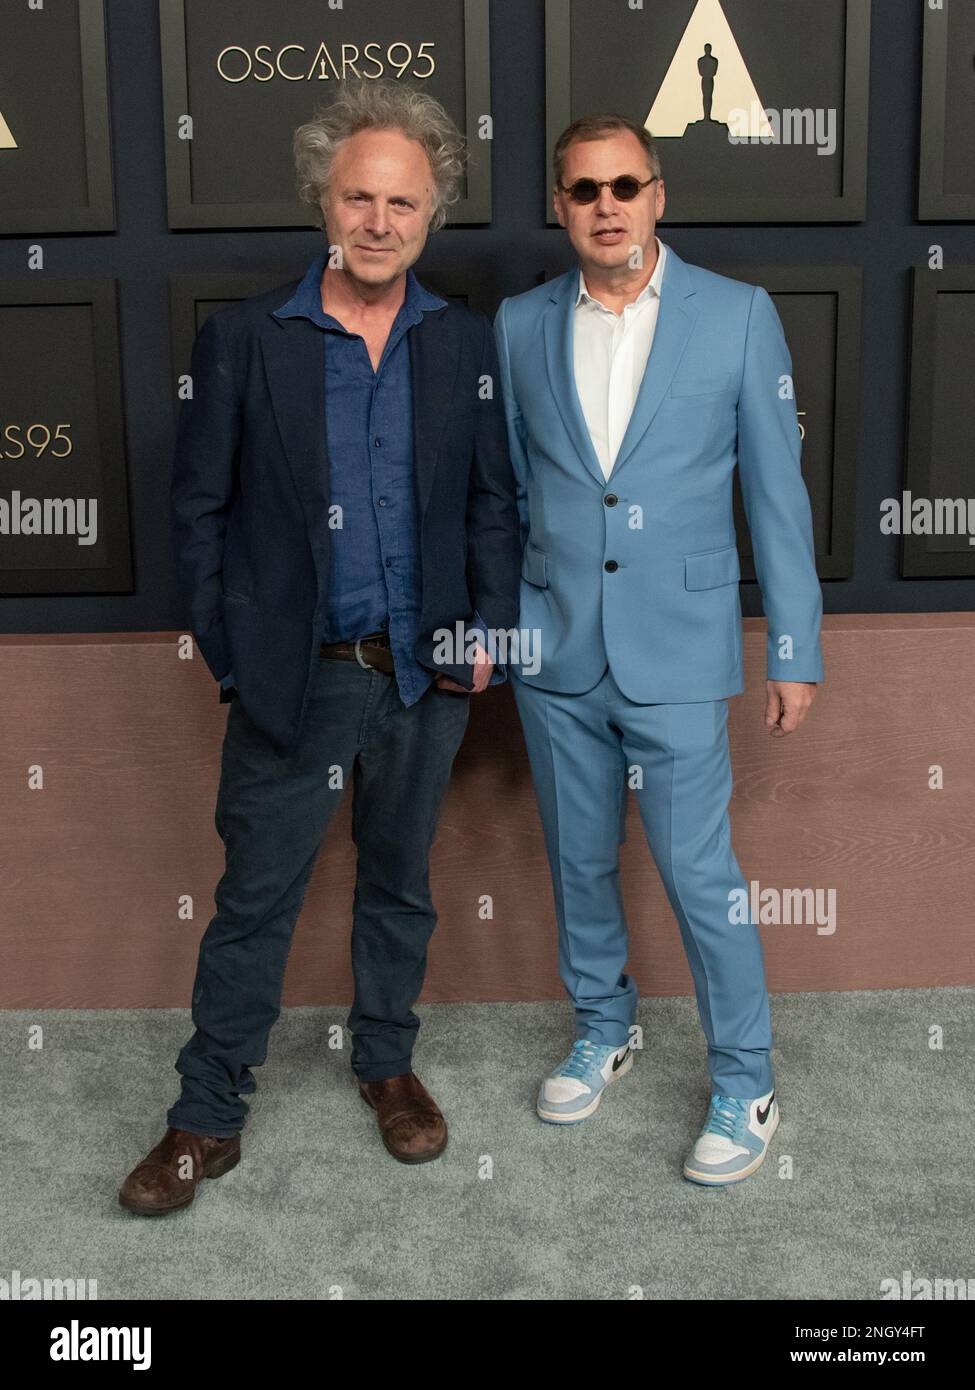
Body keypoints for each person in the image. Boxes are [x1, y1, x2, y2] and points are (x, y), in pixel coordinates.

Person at [119, 80, 520, 1215]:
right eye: (359, 197)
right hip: (297, 683)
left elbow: (494, 504)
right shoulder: (248, 340)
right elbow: (198, 518)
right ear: (323, 203)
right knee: (256, 901)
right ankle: (206, 1115)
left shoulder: (465, 346)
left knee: (401, 886)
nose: (379, 221)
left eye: (402, 201)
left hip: (423, 681)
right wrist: (238, 662)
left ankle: (386, 1063)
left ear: (432, 212)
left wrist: (483, 629)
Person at [494, 113, 824, 1185]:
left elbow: (777, 493)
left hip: (681, 651)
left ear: (657, 195)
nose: (605, 206)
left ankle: (746, 1079)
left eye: (624, 185)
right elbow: (510, 491)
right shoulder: (517, 324)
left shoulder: (735, 317)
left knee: (700, 873)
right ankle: (605, 1025)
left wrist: (795, 645)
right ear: (560, 204)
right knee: (577, 858)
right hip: (558, 652)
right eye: (584, 189)